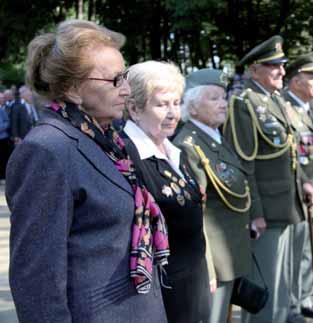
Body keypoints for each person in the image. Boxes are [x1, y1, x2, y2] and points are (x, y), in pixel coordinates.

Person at [7, 20, 168, 323]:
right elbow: (37, 279)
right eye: (115, 80)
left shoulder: (110, 140)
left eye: (127, 76)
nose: (126, 89)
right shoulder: (47, 150)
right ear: (73, 89)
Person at [223, 35, 313, 323]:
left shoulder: (274, 100)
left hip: (286, 204)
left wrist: (304, 182)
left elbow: (290, 151)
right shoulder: (245, 103)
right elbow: (244, 164)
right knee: (265, 283)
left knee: (280, 281)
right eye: (273, 66)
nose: (281, 71)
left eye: (282, 65)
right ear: (254, 70)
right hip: (265, 210)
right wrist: (255, 213)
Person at [123, 61, 211, 323]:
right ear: (135, 108)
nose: (173, 113)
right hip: (163, 296)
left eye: (176, 102)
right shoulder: (128, 157)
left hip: (194, 281)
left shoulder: (173, 151)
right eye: (162, 104)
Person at [173, 68, 254, 323]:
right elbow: (195, 213)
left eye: (223, 97)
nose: (223, 104)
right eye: (214, 98)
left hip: (229, 250)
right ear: (193, 107)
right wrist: (206, 266)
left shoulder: (216, 138)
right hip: (213, 257)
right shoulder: (188, 146)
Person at [282, 52, 313, 320]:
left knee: (311, 250)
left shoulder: (309, 108)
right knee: (296, 251)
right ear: (297, 80)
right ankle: (292, 304)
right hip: (298, 192)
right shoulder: (287, 109)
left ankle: (305, 297)